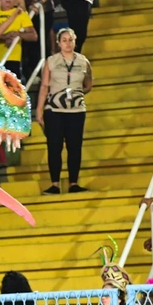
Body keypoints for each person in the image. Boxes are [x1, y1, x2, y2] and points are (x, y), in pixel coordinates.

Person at [38, 28, 93, 195]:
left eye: (70, 40)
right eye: (64, 40)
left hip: (76, 110)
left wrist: (76, 94)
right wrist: (39, 109)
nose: (68, 43)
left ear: (75, 41)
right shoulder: (51, 61)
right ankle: (54, 184)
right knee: (54, 146)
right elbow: (44, 86)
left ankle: (73, 183)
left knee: (74, 147)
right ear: (59, 43)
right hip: (54, 109)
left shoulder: (84, 61)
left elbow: (89, 83)